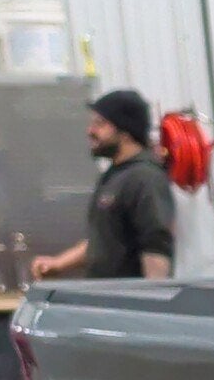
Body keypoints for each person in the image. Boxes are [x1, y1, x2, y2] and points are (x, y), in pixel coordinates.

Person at [30, 88, 179, 281]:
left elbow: (156, 245)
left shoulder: (145, 178)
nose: (90, 131)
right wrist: (58, 264)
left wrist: (153, 302)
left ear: (126, 132)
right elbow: (104, 241)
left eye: (100, 124)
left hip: (128, 304)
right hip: (107, 301)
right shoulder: (114, 176)